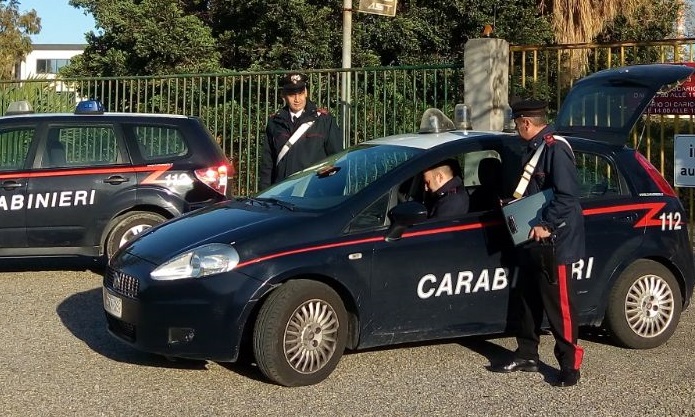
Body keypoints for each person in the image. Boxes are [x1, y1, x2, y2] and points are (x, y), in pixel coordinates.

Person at [493, 99, 586, 387]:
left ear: (526, 123)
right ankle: (527, 353)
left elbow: (567, 196)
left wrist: (546, 224)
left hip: (554, 239)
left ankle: (570, 363)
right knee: (527, 296)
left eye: (517, 123)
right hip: (532, 236)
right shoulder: (534, 148)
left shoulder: (555, 149)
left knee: (559, 304)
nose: (516, 128)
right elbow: (536, 192)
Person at [259, 72, 343, 190]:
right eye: (292, 94)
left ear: (306, 92)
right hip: (282, 192)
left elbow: (337, 159)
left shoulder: (323, 120)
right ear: (283, 95)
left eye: (300, 93)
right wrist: (264, 195)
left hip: (314, 192)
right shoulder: (275, 122)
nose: (297, 99)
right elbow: (268, 164)